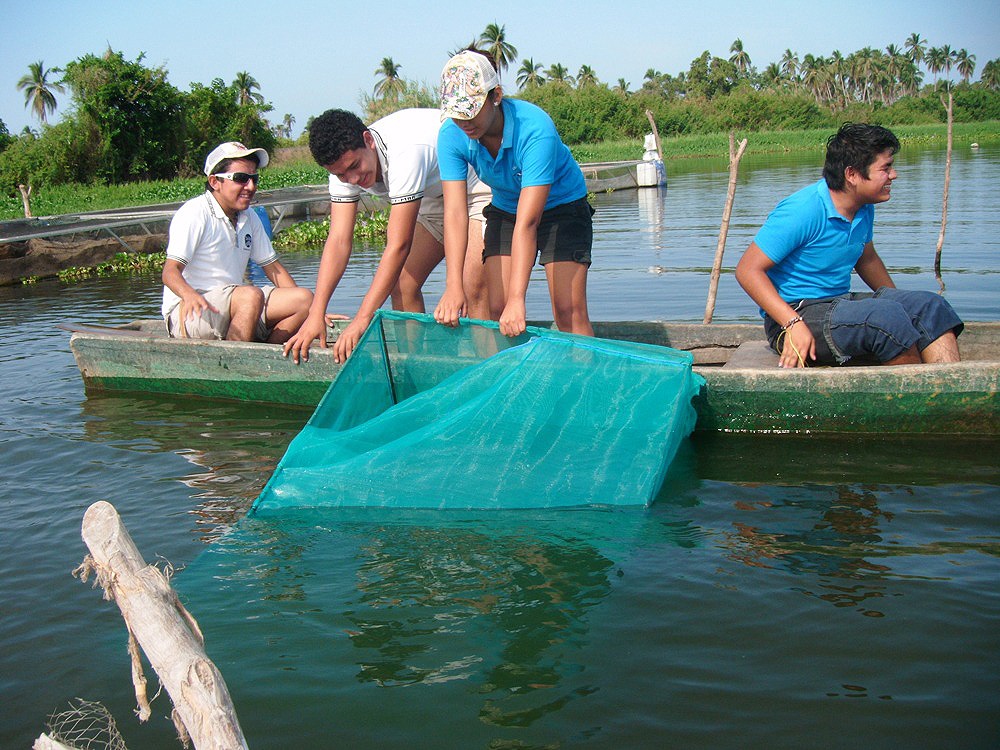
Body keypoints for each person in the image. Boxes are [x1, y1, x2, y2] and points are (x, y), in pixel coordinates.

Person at [735, 123, 962, 368]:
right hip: (793, 315)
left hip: (838, 304)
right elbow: (747, 270)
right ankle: (911, 391)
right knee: (887, 319)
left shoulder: (863, 207)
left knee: (931, 306)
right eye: (885, 168)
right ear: (852, 174)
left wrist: (900, 303)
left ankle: (948, 386)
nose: (893, 175)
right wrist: (792, 323)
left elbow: (867, 259)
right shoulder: (803, 210)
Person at [282, 108, 492, 364]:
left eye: (355, 166)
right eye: (341, 174)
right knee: (402, 284)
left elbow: (399, 245)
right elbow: (338, 241)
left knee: (472, 285)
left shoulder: (406, 151)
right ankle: (413, 366)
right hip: (435, 196)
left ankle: (488, 371)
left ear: (368, 140)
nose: (353, 179)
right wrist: (316, 312)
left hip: (478, 184)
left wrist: (363, 319)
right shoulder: (342, 171)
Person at [435, 49, 594, 338]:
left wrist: (518, 299)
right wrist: (453, 285)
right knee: (498, 307)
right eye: (456, 114)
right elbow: (456, 212)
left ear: (495, 95)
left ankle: (585, 367)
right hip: (507, 207)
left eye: (470, 110)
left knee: (568, 310)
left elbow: (528, 222)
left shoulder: (535, 129)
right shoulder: (451, 135)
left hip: (562, 206)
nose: (464, 122)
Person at [161, 142, 312, 344]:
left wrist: (314, 315)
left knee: (305, 300)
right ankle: (238, 359)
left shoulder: (249, 216)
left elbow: (274, 268)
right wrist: (188, 295)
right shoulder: (195, 213)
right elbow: (170, 272)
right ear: (215, 182)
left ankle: (268, 354)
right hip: (191, 312)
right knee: (250, 295)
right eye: (241, 178)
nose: (250, 186)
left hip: (238, 304)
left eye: (254, 179)